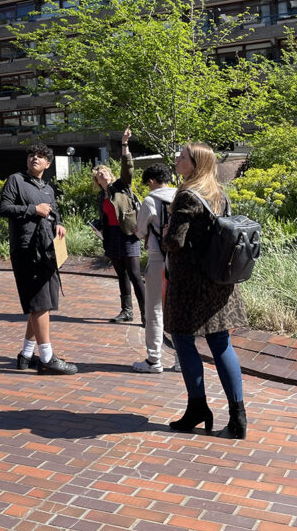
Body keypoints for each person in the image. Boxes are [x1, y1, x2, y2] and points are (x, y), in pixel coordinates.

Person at [163, 142, 248, 439]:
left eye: (182, 156)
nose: (177, 159)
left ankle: (197, 407)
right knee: (221, 343)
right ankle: (238, 416)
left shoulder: (187, 194)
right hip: (219, 281)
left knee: (182, 338)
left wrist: (165, 233)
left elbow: (175, 241)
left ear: (195, 164)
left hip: (190, 285)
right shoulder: (218, 193)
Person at [0, 144, 76, 375]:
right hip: (26, 250)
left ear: (47, 164)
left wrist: (58, 224)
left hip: (46, 250)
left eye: (40, 156)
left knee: (41, 303)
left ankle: (25, 355)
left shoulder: (48, 188)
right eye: (32, 155)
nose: (35, 158)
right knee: (40, 303)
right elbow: (4, 208)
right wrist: (34, 209)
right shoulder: (16, 180)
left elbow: (52, 212)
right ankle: (46, 358)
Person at [92, 128, 144, 324]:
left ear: (111, 175)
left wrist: (124, 143)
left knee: (135, 274)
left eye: (105, 172)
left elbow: (127, 165)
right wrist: (98, 225)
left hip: (128, 234)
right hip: (112, 236)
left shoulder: (122, 186)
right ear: (97, 181)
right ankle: (126, 312)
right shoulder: (101, 196)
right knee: (121, 274)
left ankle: (146, 314)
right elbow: (106, 216)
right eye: (99, 174)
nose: (102, 174)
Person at [132, 162, 179, 374]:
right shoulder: (181, 196)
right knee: (177, 310)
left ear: (151, 180)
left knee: (154, 310)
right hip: (179, 261)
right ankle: (181, 360)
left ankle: (154, 360)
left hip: (158, 258)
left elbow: (140, 232)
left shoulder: (150, 200)